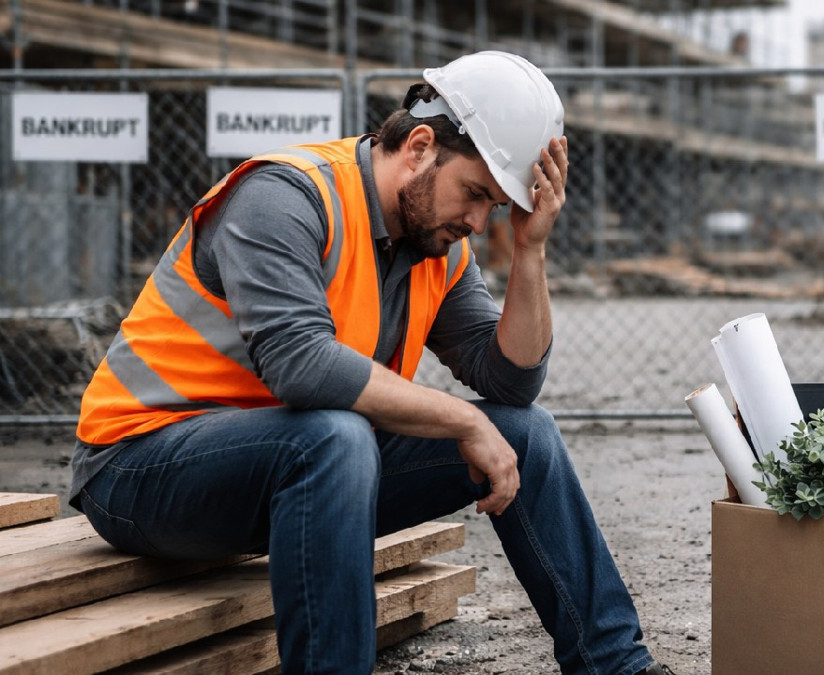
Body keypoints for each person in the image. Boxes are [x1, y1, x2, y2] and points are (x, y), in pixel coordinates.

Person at [69, 50, 673, 675]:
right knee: (336, 434)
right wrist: (464, 424)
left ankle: (617, 666)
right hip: (141, 469)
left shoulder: (438, 246)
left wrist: (530, 250)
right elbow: (300, 365)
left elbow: (511, 382)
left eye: (492, 205)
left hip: (295, 474)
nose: (474, 220)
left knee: (528, 434)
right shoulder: (283, 194)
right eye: (473, 193)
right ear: (418, 146)